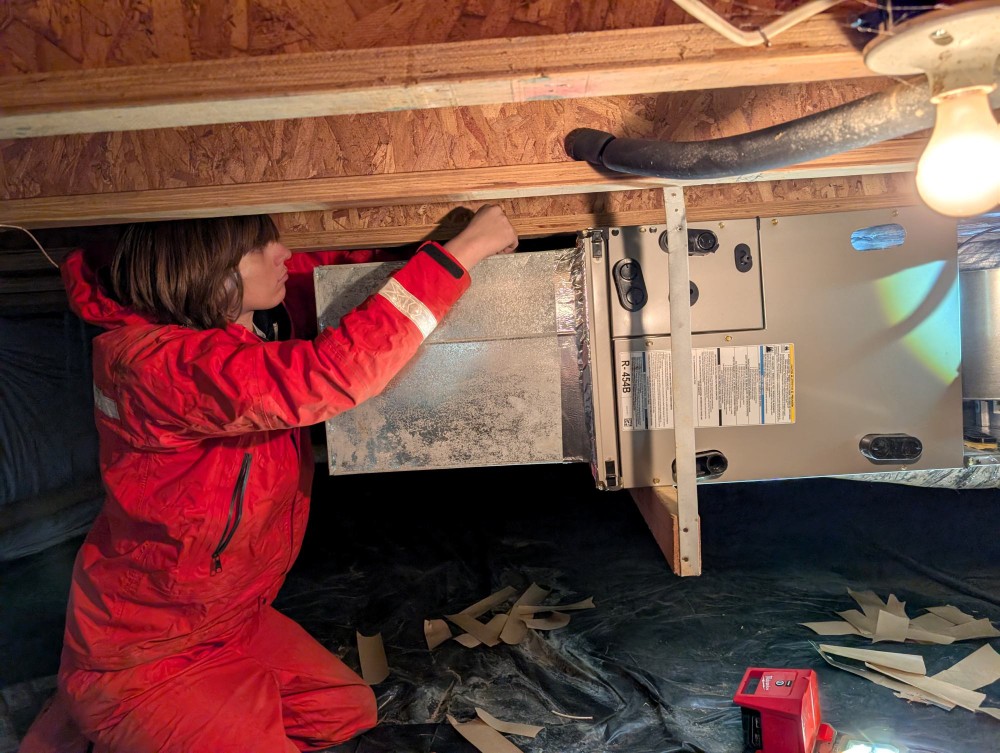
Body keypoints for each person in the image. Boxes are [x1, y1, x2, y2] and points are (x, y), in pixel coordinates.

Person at [19, 205, 519, 753]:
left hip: (225, 619)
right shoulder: (156, 366)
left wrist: (405, 239)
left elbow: (319, 270)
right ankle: (103, 716)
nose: (283, 253)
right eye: (260, 246)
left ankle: (125, 727)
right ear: (206, 270)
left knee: (343, 712)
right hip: (146, 656)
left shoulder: (214, 320)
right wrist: (459, 255)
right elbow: (330, 374)